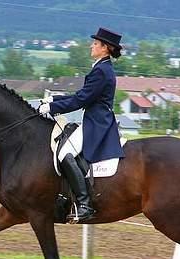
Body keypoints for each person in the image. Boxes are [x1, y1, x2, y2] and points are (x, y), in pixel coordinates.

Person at [39, 27, 124, 222]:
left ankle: (85, 204)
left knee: (64, 154)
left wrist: (51, 109)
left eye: (95, 43)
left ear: (105, 48)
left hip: (97, 123)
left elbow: (81, 101)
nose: (91, 46)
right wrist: (54, 99)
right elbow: (82, 95)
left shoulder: (102, 70)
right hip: (94, 118)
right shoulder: (101, 67)